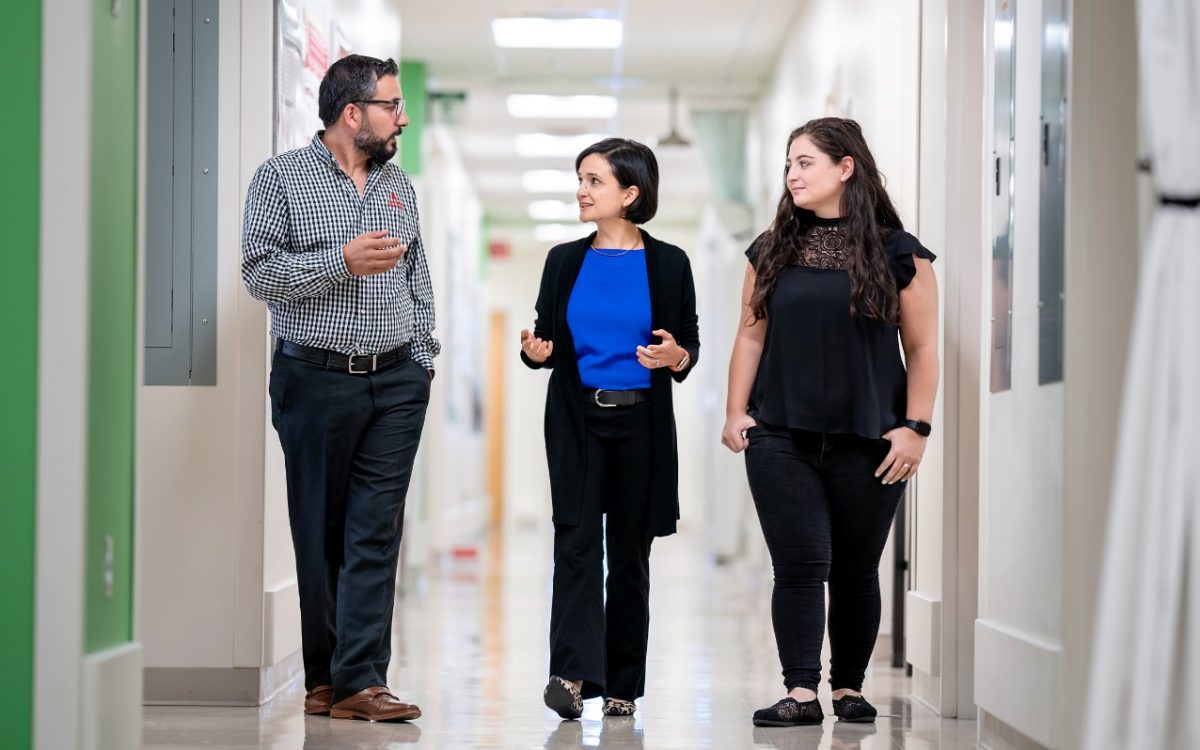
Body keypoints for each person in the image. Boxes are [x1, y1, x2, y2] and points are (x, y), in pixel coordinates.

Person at [721, 117, 939, 726]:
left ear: (846, 167)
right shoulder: (771, 250)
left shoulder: (902, 254)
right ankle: (799, 690)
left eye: (805, 162)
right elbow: (750, 335)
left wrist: (915, 428)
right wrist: (737, 411)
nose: (791, 174)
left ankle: (848, 688)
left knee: (854, 568)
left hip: (871, 439)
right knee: (798, 564)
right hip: (781, 434)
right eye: (788, 164)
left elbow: (922, 349)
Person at [241, 54, 438, 722]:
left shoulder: (398, 186)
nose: (402, 118)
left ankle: (361, 680)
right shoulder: (280, 179)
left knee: (375, 531)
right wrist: (340, 262)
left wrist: (423, 356)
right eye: (393, 106)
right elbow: (260, 273)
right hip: (313, 379)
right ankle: (326, 680)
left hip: (396, 380)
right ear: (353, 113)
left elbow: (418, 276)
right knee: (319, 532)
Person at [520, 138, 699, 720]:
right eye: (580, 179)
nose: (581, 190)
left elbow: (687, 345)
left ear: (630, 193)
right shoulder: (563, 260)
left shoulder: (669, 263)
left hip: (641, 424)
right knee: (573, 544)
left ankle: (622, 685)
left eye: (594, 180)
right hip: (577, 421)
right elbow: (545, 339)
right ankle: (570, 677)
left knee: (628, 555)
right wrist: (535, 351)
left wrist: (675, 357)